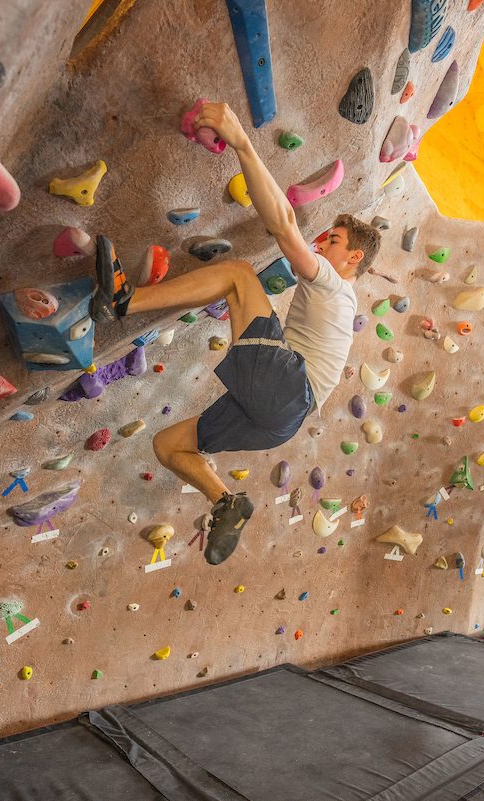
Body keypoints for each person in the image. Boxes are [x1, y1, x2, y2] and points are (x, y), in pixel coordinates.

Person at [90, 101, 381, 565]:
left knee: (241, 276)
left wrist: (241, 141)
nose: (322, 242)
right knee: (167, 445)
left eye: (334, 241)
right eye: (325, 236)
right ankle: (228, 502)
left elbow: (285, 227)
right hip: (281, 424)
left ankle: (125, 301)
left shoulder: (334, 283)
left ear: (353, 262)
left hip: (289, 393)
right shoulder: (340, 304)